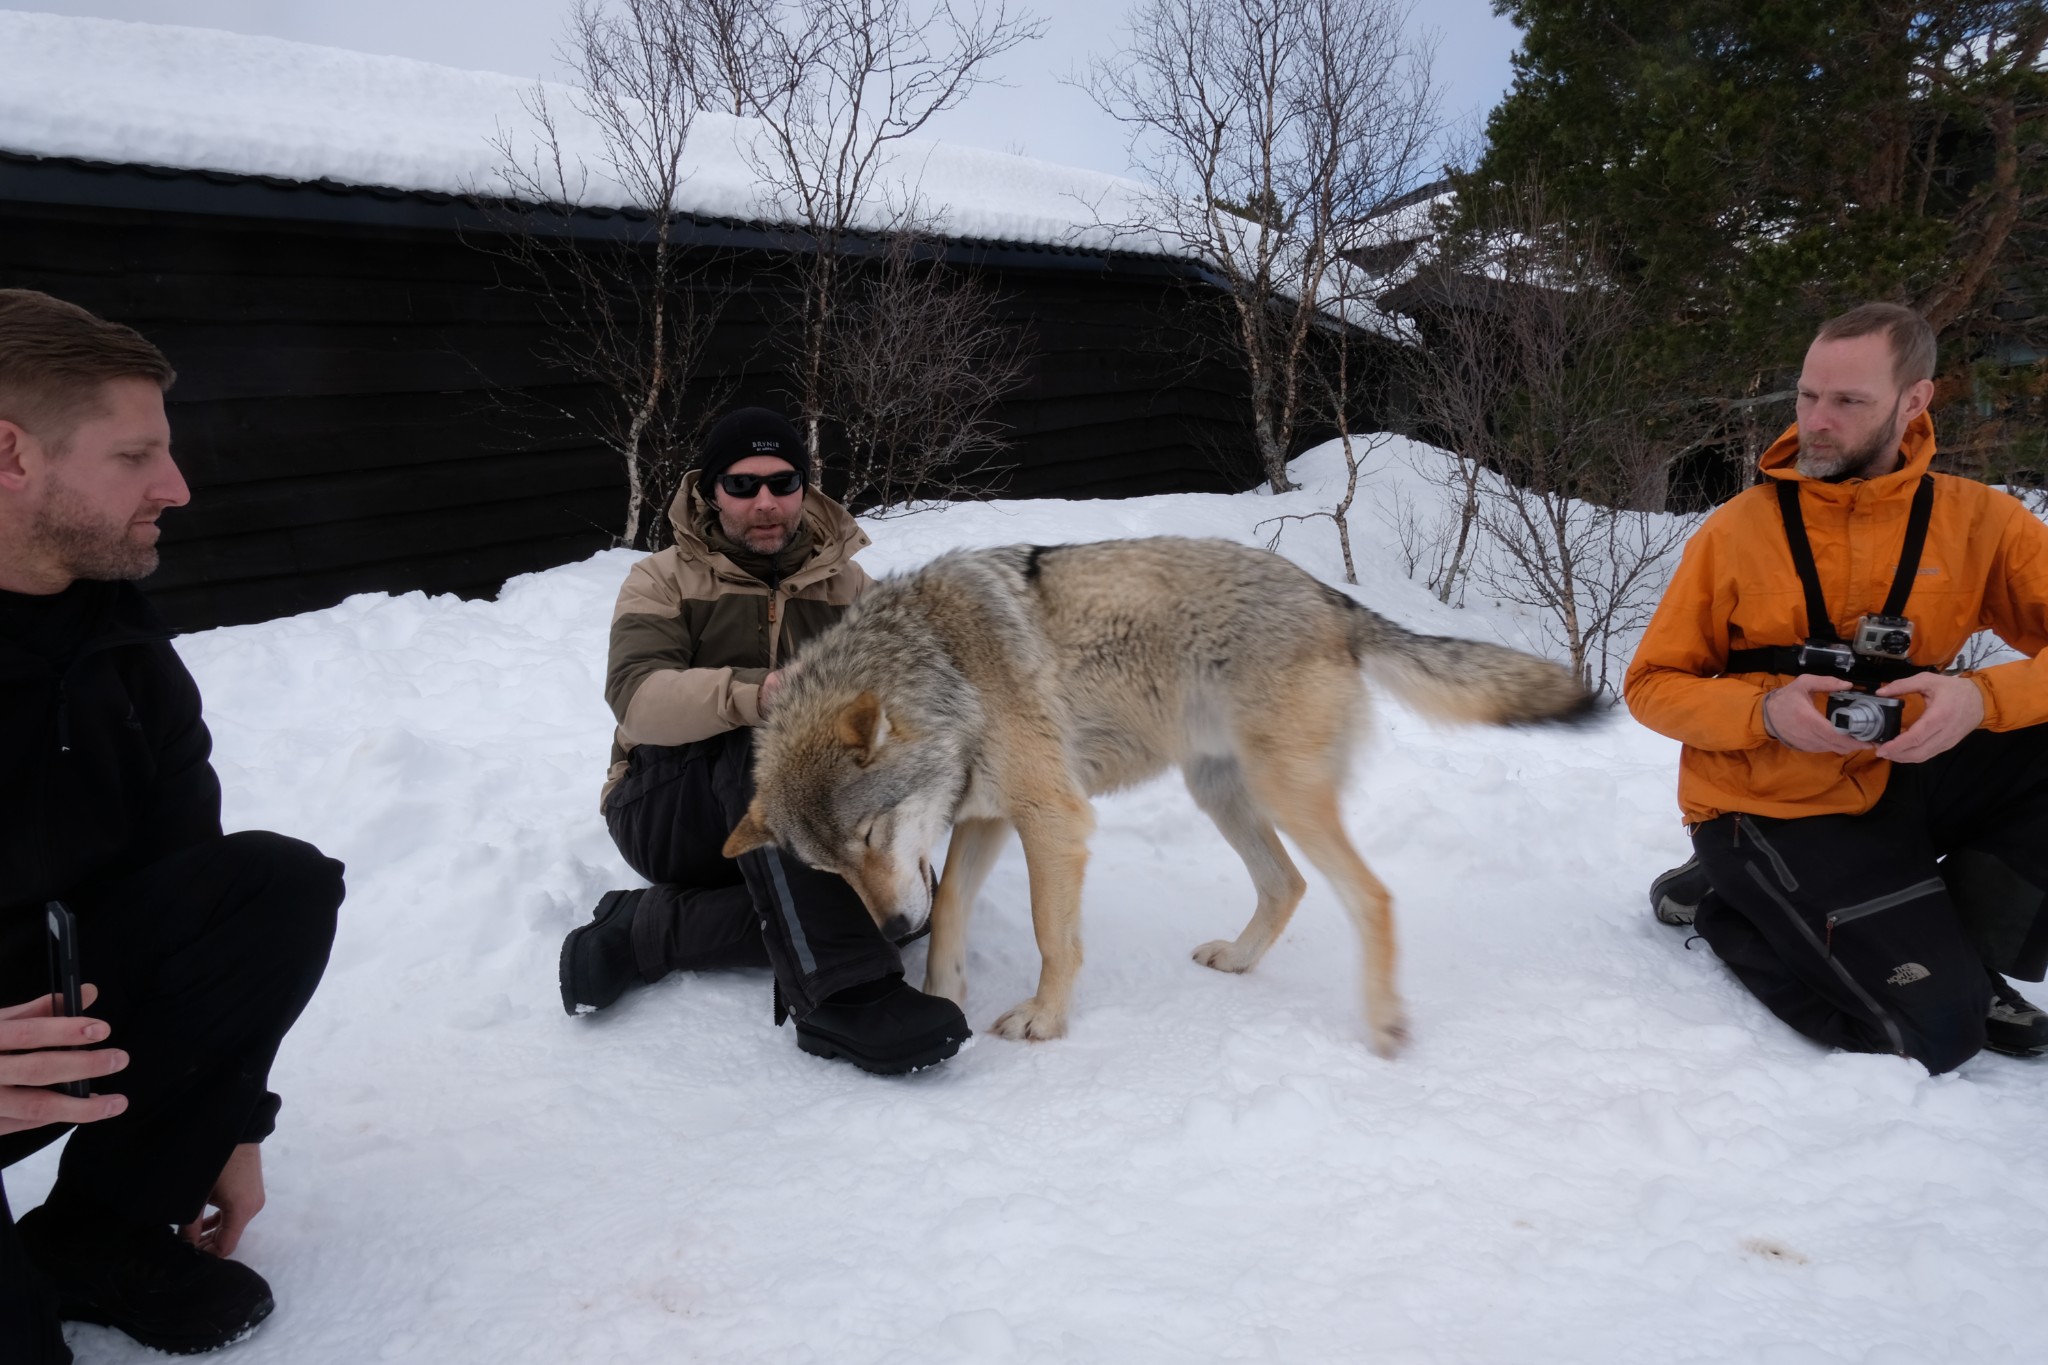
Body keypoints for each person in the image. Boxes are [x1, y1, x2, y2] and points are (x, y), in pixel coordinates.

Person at [1, 290, 343, 1361]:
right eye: (134, 455)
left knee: (270, 887)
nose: (176, 487)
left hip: (48, 1030)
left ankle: (96, 1234)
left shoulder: (125, 653)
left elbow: (191, 893)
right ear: (11, 455)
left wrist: (229, 1118)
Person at [1628, 302, 2048, 1074]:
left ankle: (1962, 943)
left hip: (1903, 774)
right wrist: (1765, 711)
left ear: (1913, 402)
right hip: (1771, 798)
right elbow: (1651, 684)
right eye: (1806, 395)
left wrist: (1981, 700)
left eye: (1847, 401)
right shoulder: (1737, 530)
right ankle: (1732, 902)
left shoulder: (1980, 520)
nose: (1816, 421)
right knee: (1934, 1035)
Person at [559, 406, 969, 1074]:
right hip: (665, 809)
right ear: (710, 490)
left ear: (805, 488)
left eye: (782, 482)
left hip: (797, 832)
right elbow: (635, 696)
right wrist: (757, 695)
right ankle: (844, 995)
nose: (765, 502)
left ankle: (645, 932)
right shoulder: (662, 580)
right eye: (742, 485)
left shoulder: (849, 588)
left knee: (904, 909)